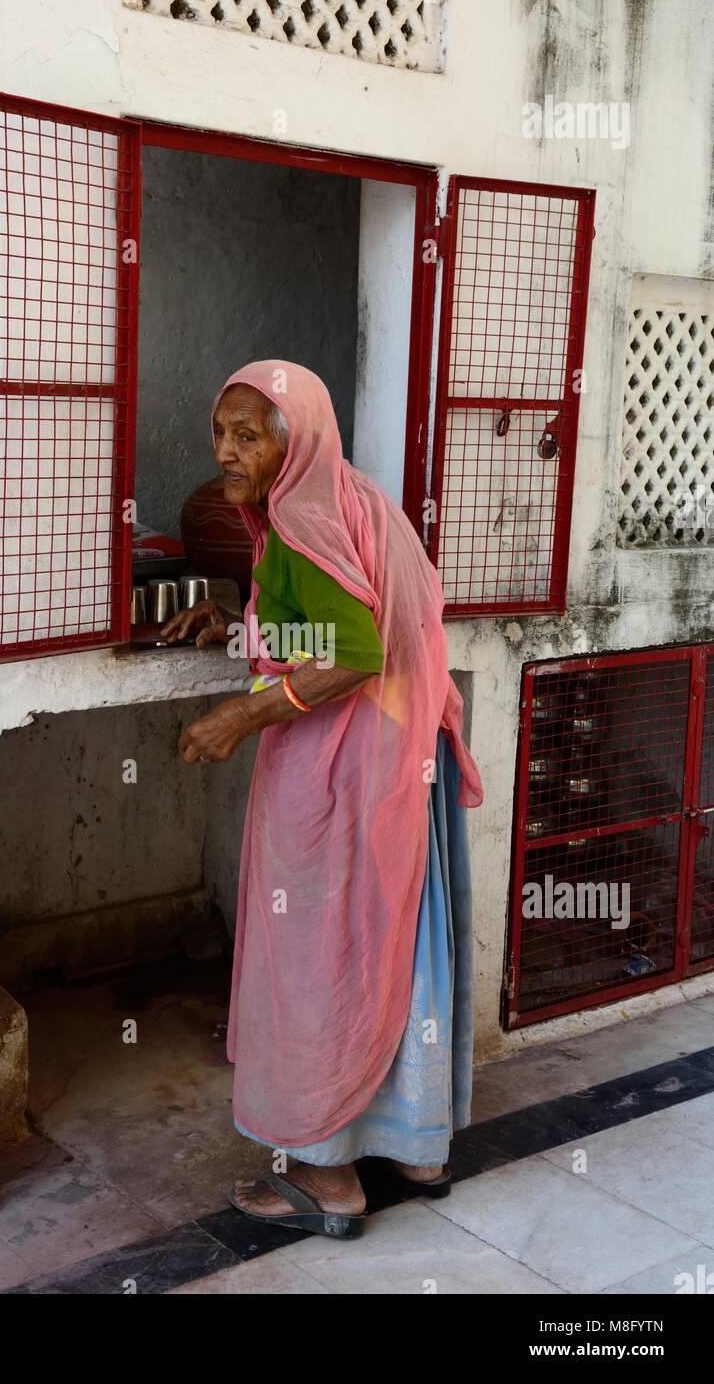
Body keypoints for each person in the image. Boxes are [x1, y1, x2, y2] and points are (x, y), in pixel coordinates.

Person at [161, 360, 483, 1238]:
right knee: (394, 945)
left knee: (318, 961)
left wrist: (240, 715)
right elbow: (340, 620)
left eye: (248, 436)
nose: (225, 452)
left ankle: (324, 1177)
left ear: (292, 442)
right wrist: (237, 624)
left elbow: (354, 654)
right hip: (399, 770)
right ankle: (416, 1148)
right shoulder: (348, 496)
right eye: (220, 433)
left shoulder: (299, 517)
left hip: (344, 775)